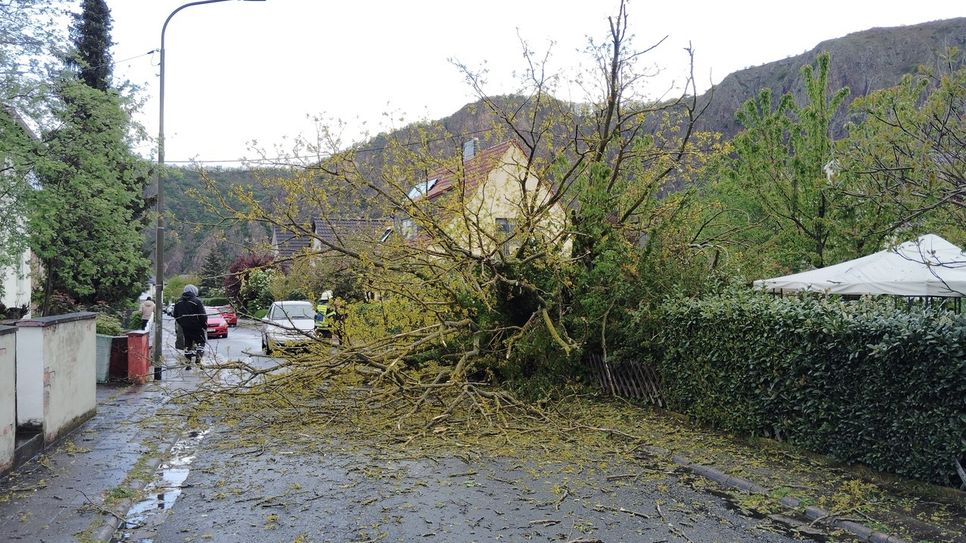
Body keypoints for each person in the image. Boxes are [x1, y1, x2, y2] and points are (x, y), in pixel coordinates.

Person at [173, 284, 207, 368]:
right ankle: (198, 360)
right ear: (194, 292)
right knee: (201, 342)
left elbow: (176, 315)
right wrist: (204, 326)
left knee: (188, 344)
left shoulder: (178, 302)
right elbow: (203, 315)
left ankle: (188, 364)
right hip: (197, 327)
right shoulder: (196, 301)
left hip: (185, 327)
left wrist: (182, 323)